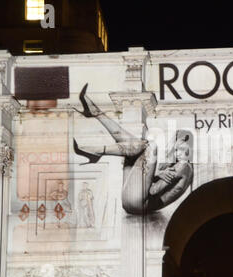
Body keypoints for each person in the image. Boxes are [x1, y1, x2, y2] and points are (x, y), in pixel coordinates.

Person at [72, 84, 193, 214]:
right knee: (133, 147)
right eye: (175, 148)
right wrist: (158, 175)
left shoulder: (183, 166)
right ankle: (96, 115)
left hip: (140, 204)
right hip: (133, 201)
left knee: (149, 146)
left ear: (188, 151)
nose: (175, 152)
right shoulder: (181, 166)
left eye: (179, 149)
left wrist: (157, 176)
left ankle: (96, 149)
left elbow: (152, 191)